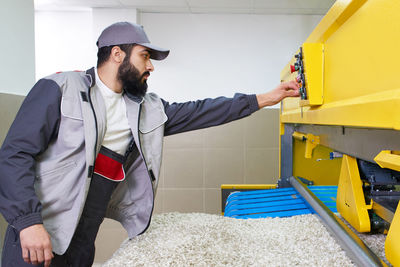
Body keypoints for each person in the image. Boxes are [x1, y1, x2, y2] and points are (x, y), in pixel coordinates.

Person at [0, 21, 299, 267]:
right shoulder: (60, 88)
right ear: (117, 53)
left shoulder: (146, 109)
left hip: (81, 242)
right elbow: (14, 155)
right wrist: (28, 222)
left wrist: (267, 98)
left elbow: (202, 111)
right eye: (145, 56)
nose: (151, 67)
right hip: (35, 238)